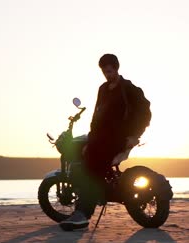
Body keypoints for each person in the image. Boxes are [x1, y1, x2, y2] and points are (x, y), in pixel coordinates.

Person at [59, 54, 151, 231]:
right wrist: (91, 138)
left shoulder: (129, 89)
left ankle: (83, 214)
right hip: (99, 138)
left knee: (91, 168)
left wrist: (135, 135)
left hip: (119, 138)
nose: (107, 75)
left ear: (116, 68)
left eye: (110, 71)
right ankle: (94, 195)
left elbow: (145, 113)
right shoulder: (103, 89)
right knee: (83, 155)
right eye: (104, 71)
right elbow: (97, 116)